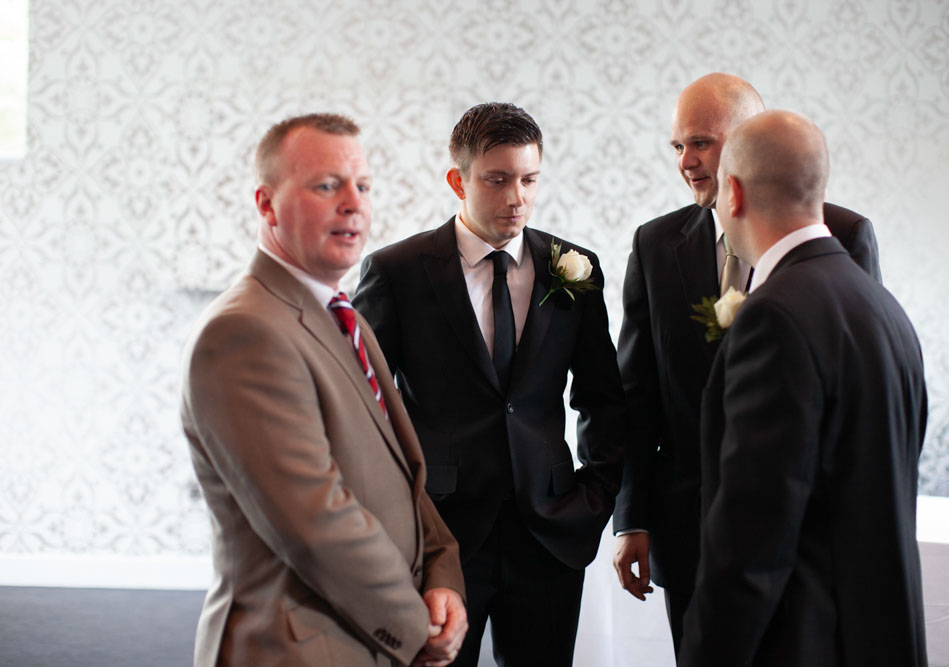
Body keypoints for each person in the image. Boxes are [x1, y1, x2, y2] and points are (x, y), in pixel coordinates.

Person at [180, 113, 467, 667]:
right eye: (326, 186)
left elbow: (402, 474)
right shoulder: (244, 332)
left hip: (365, 635)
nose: (353, 203)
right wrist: (417, 625)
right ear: (266, 204)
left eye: (362, 186)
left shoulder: (345, 317)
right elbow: (316, 522)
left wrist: (443, 572)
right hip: (297, 648)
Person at [612, 72, 882, 650]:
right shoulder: (655, 246)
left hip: (805, 538)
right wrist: (632, 516)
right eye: (677, 145)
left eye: (701, 142)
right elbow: (637, 392)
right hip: (688, 533)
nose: (686, 161)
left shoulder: (843, 236)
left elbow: (855, 399)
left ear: (746, 141)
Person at [354, 102, 626, 667]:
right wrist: (396, 517)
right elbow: (363, 408)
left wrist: (594, 498)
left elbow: (602, 397)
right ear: (458, 180)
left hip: (550, 531)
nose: (516, 197)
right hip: (441, 536)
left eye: (529, 180)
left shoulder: (573, 268)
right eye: (497, 179)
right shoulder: (398, 271)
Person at [678, 110, 927, 666]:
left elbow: (750, 542)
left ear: (733, 193)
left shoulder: (775, 318)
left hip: (802, 641)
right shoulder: (881, 308)